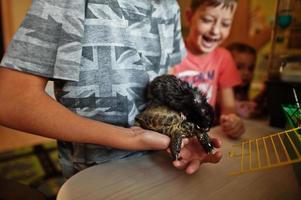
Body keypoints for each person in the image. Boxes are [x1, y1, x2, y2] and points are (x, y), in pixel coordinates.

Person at [0, 0, 222, 178]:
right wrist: (131, 138)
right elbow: (10, 100)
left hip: (162, 164)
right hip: (93, 175)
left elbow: (167, 79)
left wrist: (184, 138)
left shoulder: (169, 6)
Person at [171, 0, 245, 139]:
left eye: (225, 24)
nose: (216, 30)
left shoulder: (224, 57)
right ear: (189, 17)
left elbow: (229, 110)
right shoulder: (172, 52)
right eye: (207, 20)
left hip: (205, 135)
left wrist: (232, 122)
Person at [227, 42, 268, 118]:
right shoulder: (220, 93)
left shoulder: (240, 92)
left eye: (250, 68)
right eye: (239, 67)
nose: (246, 73)